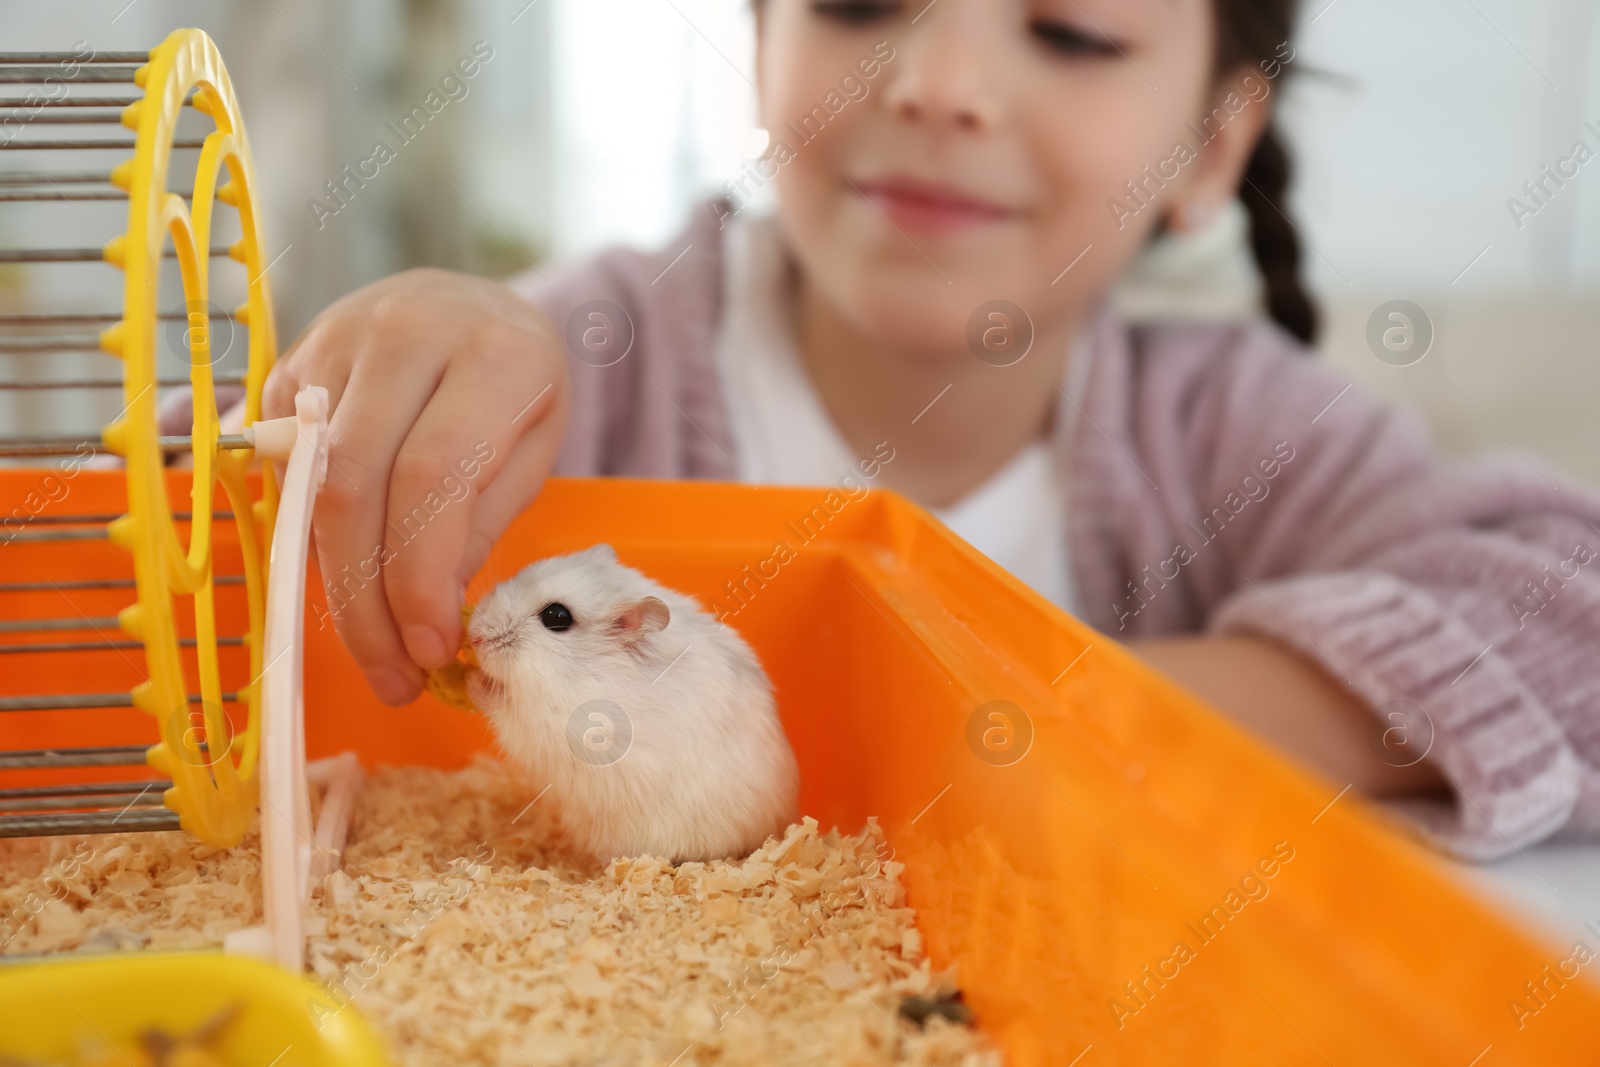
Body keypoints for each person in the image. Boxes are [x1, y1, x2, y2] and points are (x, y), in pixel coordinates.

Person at [263, 0, 1600, 861]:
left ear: (1209, 147)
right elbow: (144, 531)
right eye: (860, 2)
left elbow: (1569, 610)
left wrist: (1015, 710)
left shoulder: (1237, 427)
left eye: (1071, 31)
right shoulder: (590, 358)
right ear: (759, 39)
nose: (941, 82)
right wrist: (358, 404)